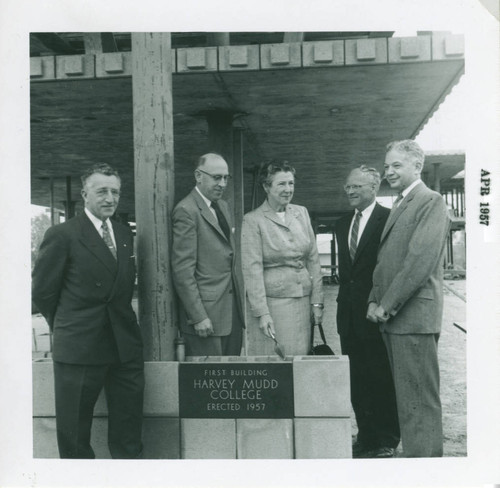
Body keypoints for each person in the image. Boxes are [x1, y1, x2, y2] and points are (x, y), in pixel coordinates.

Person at [32, 163, 144, 459]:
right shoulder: (62, 234)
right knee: (75, 436)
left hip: (124, 346)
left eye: (115, 192)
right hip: (80, 347)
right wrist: (70, 326)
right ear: (85, 194)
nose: (110, 198)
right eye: (102, 191)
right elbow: (42, 292)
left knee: (129, 433)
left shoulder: (123, 233)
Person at [367, 140, 450, 457]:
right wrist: (373, 300)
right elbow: (384, 262)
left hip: (412, 319)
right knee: (408, 398)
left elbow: (419, 261)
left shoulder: (430, 201)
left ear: (417, 166)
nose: (389, 171)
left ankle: (426, 466)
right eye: (386, 166)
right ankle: (419, 460)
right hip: (398, 320)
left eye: (396, 165)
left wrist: (385, 305)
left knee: (419, 400)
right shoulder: (402, 203)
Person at [335, 165, 400, 458]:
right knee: (356, 379)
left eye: (356, 187)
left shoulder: (389, 220)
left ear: (374, 188)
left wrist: (383, 304)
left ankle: (386, 438)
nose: (350, 191)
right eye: (348, 186)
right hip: (348, 315)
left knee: (380, 376)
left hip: (376, 312)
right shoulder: (342, 223)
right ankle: (366, 435)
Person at [241, 160, 323, 356]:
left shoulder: (301, 213)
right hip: (273, 305)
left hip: (303, 302)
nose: (288, 189)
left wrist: (317, 303)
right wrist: (262, 313)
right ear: (266, 187)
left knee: (300, 358)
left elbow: (313, 259)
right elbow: (252, 270)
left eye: (291, 183)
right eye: (281, 184)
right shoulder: (253, 220)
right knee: (276, 361)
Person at [171, 153, 243, 356]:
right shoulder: (186, 211)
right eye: (216, 177)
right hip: (206, 319)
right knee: (208, 382)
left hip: (231, 314)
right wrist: (198, 316)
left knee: (231, 379)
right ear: (198, 175)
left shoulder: (222, 206)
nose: (222, 183)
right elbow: (183, 271)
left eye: (226, 178)